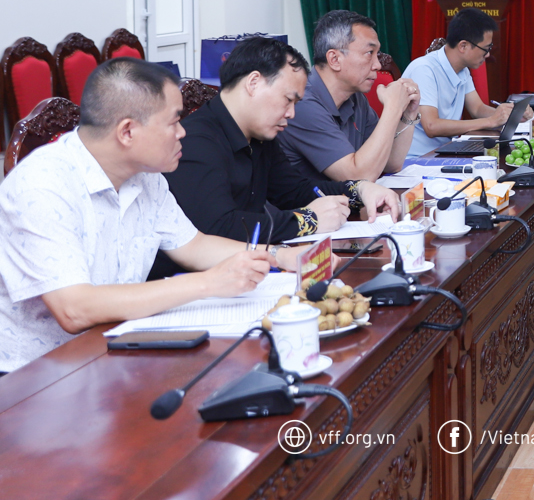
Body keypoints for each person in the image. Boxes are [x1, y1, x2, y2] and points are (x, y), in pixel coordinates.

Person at [0, 58, 313, 373]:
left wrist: (278, 257)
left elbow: (195, 246)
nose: (182, 133)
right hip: (33, 376)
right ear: (127, 132)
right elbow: (74, 309)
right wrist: (207, 284)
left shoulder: (145, 176)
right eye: (173, 121)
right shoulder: (42, 186)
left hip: (113, 349)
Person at [152, 38, 399, 278]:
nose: (291, 113)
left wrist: (360, 190)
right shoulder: (195, 141)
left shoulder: (260, 136)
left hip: (247, 271)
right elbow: (219, 227)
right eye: (287, 99)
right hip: (186, 282)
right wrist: (307, 221)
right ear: (254, 83)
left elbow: (296, 191)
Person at [277, 10, 421, 184]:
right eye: (369, 53)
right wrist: (392, 108)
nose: (377, 65)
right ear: (335, 59)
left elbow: (390, 163)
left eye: (377, 54)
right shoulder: (302, 104)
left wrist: (408, 115)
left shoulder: (355, 97)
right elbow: (357, 177)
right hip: (308, 209)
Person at [402, 7, 515, 158]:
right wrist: (489, 121)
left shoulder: (462, 69)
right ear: (463, 46)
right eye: (485, 48)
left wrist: (508, 115)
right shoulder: (424, 69)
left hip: (446, 151)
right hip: (417, 159)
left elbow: (477, 108)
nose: (487, 55)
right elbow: (432, 126)